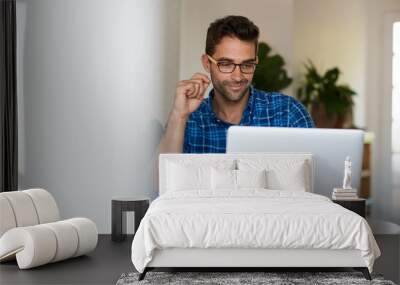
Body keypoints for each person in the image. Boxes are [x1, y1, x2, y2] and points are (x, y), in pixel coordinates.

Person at [159, 15, 314, 154]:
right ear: (207, 63)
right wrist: (179, 116)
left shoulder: (288, 113)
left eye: (247, 65)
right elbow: (157, 183)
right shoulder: (189, 119)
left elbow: (317, 177)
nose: (238, 76)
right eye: (226, 64)